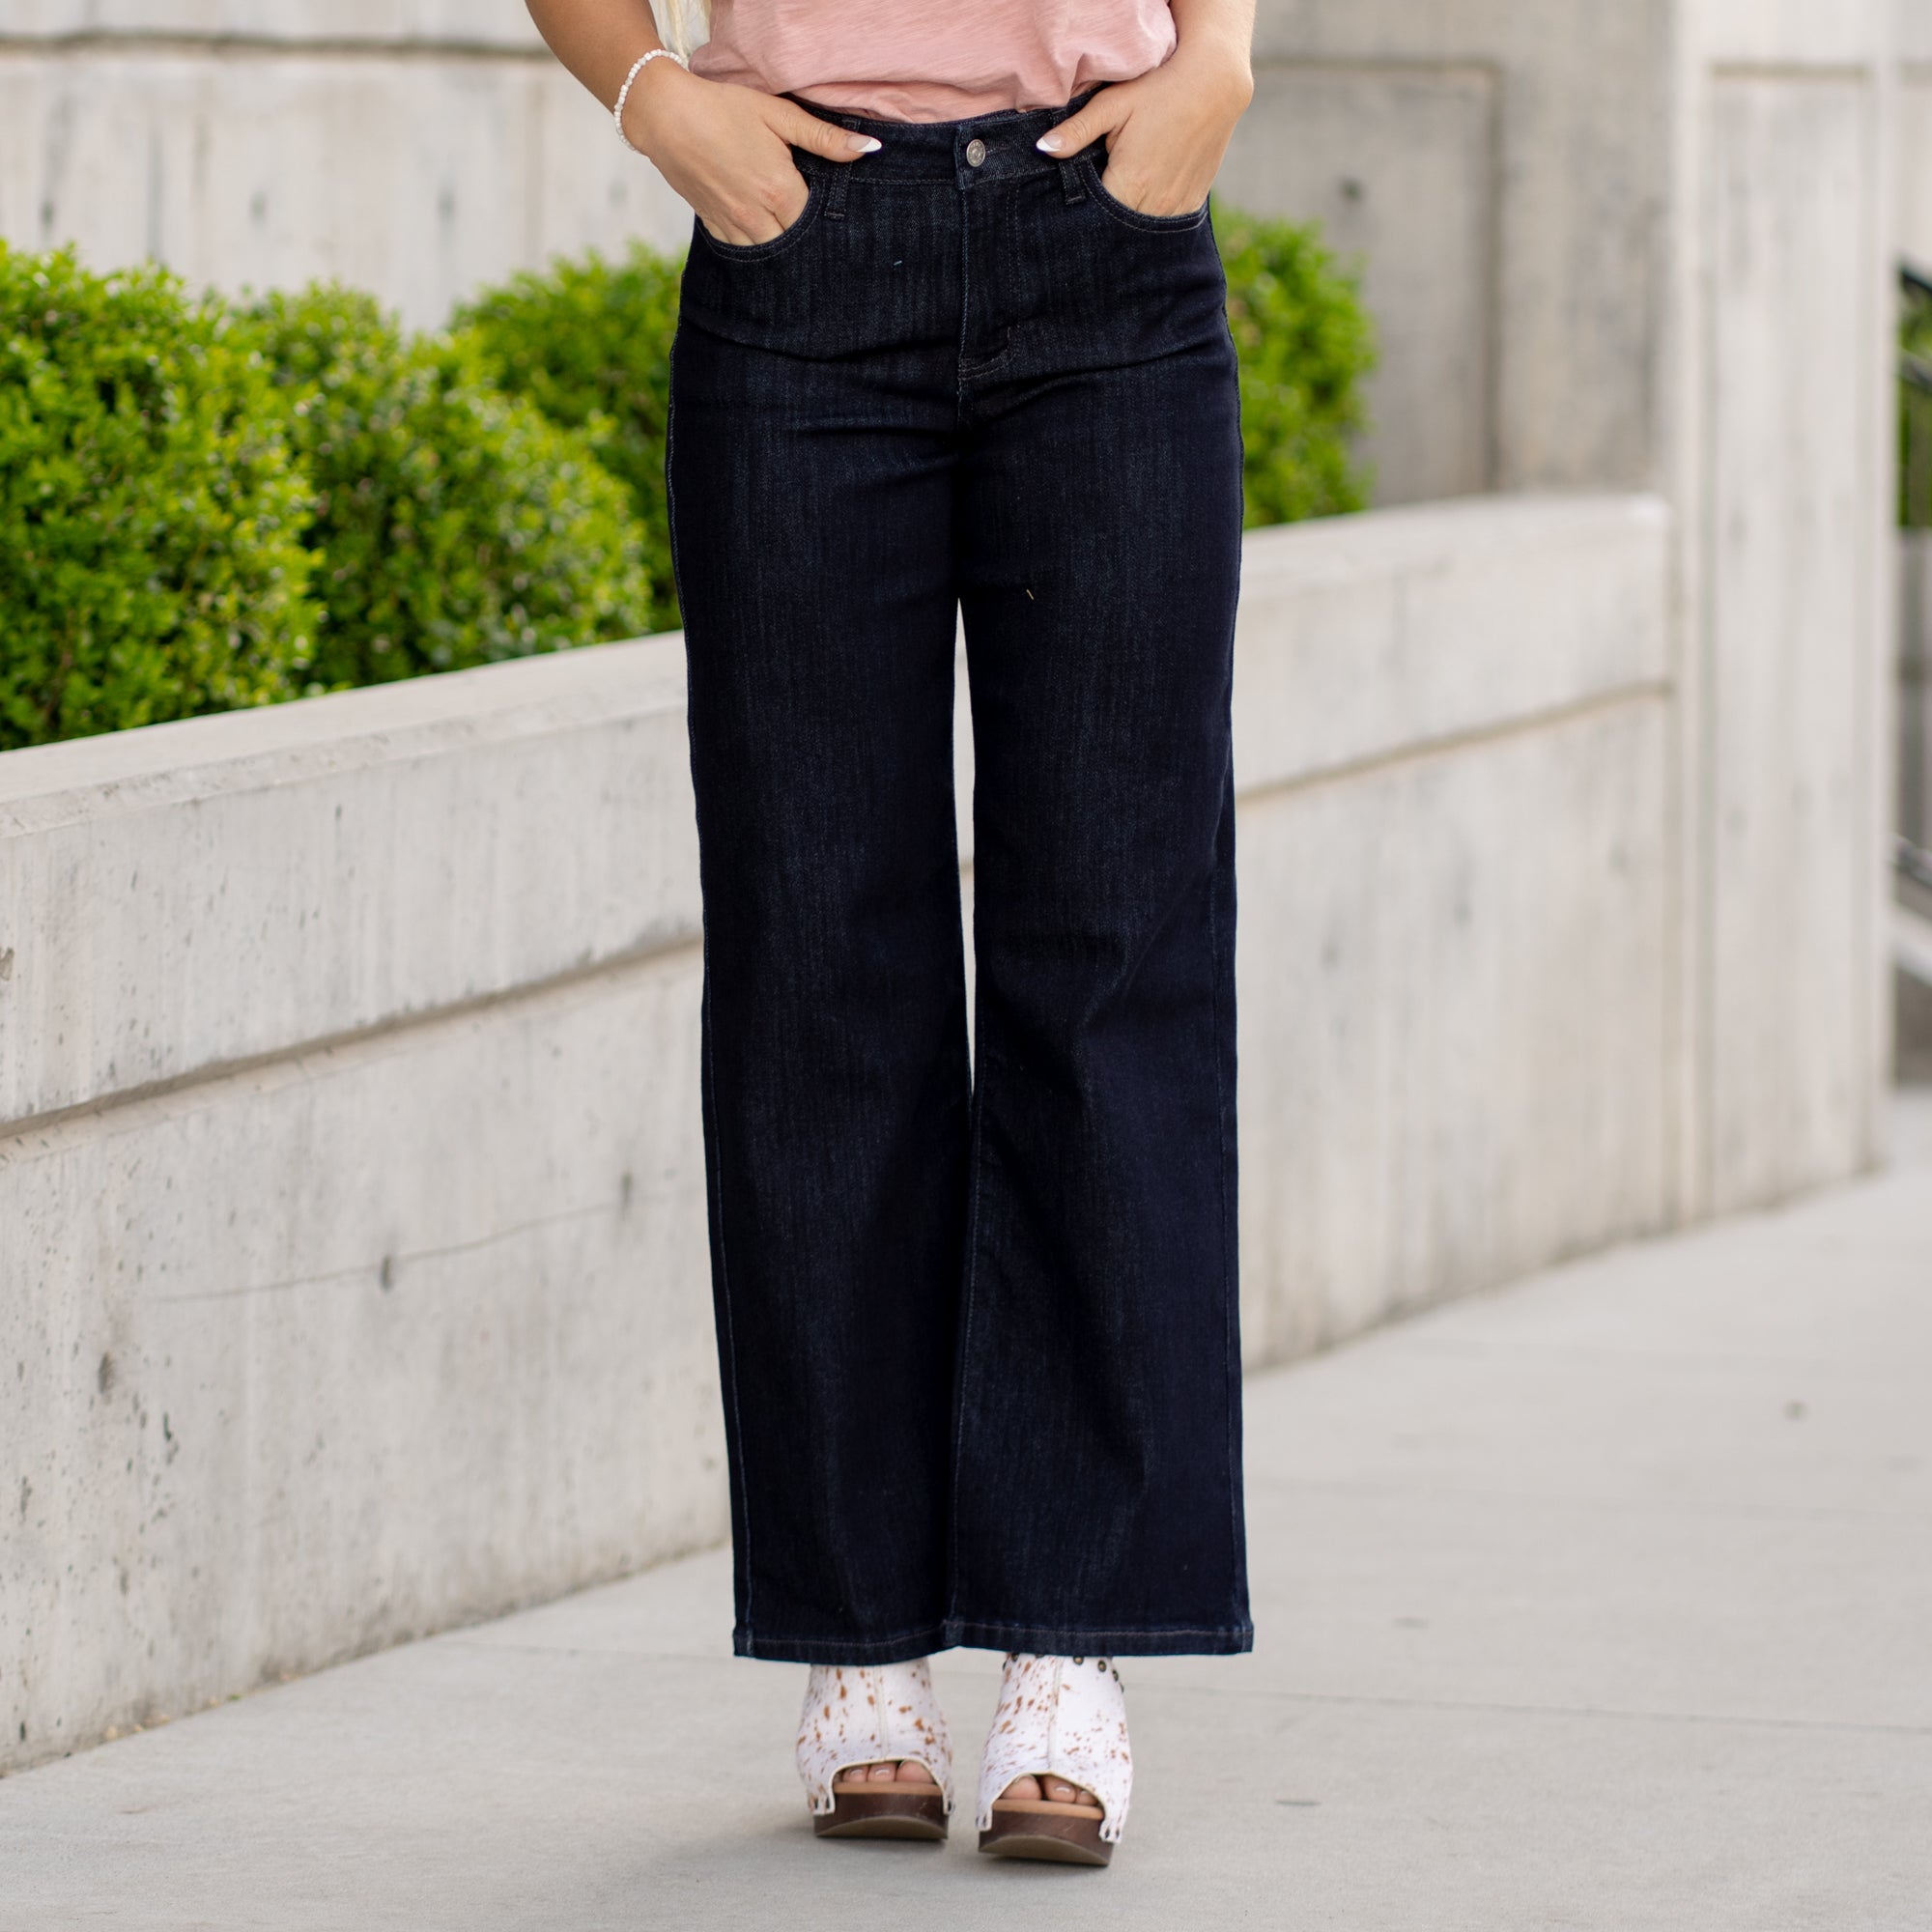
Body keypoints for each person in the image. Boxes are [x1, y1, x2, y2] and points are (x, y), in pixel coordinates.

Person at [525, 0, 1257, 1866]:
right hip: (802, 258)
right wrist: (651, 97)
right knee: (818, 970)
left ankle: (1073, 1638)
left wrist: (1222, 57)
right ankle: (857, 1637)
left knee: (1115, 966)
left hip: (1106, 248)